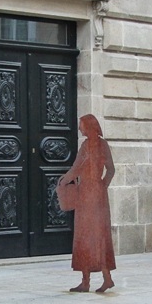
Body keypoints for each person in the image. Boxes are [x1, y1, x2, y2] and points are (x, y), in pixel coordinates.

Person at [58, 114, 116, 293]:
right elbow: (111, 170)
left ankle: (86, 281)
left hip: (87, 195)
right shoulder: (102, 145)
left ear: (89, 126)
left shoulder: (85, 146)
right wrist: (102, 186)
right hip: (98, 195)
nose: (79, 128)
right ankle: (105, 278)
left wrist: (63, 181)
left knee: (84, 236)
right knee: (100, 237)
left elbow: (76, 169)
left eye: (81, 125)